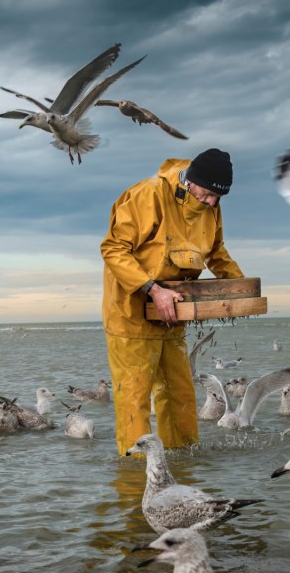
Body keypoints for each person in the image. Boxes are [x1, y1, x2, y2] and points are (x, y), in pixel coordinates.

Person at [100, 149, 244, 455]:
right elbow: (113, 249)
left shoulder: (210, 206)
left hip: (172, 316)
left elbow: (217, 254)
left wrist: (240, 288)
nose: (212, 204)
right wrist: (153, 289)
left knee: (180, 394)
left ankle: (185, 468)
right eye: (207, 195)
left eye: (218, 199)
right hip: (131, 316)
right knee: (135, 399)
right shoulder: (147, 195)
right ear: (190, 182)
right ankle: (138, 475)